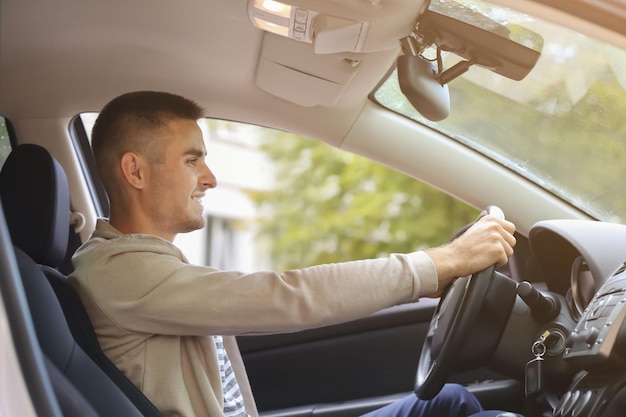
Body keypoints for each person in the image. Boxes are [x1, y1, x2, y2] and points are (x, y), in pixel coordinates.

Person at [69, 91, 517, 417]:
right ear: (135, 171)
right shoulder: (117, 270)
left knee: (449, 401)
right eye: (191, 160)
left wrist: (430, 276)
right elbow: (286, 296)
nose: (209, 178)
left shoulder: (146, 265)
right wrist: (438, 263)